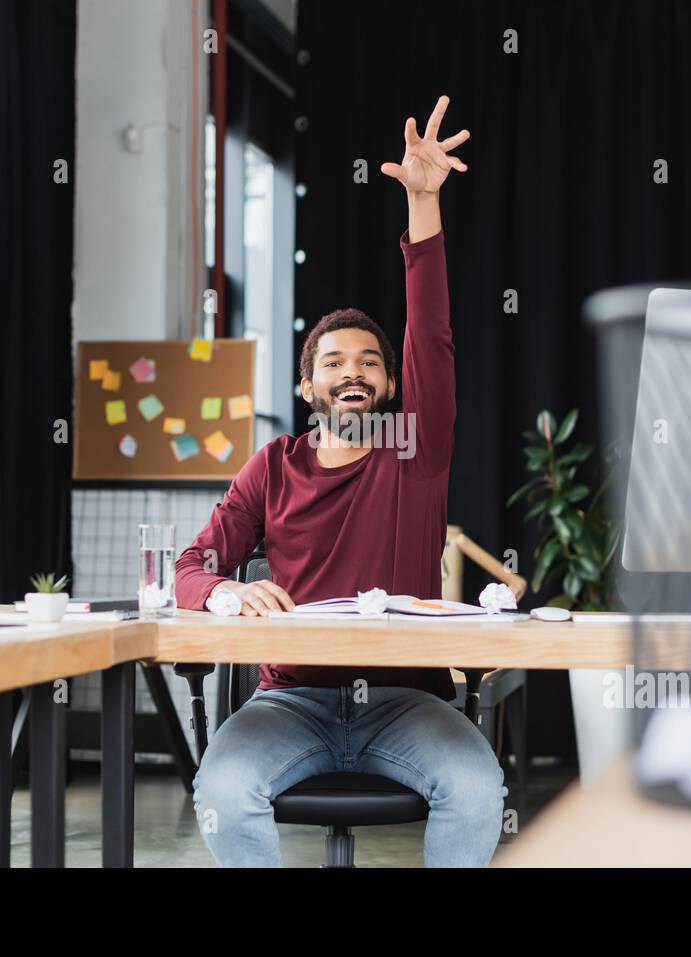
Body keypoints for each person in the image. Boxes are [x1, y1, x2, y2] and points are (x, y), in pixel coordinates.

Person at [176, 95, 506, 867]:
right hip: (290, 702)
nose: (351, 372)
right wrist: (227, 591)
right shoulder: (273, 465)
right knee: (223, 793)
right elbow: (192, 567)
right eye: (333, 363)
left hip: (406, 703)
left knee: (478, 787)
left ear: (390, 386)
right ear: (308, 388)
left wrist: (422, 204)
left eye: (368, 363)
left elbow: (432, 332)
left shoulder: (411, 450)